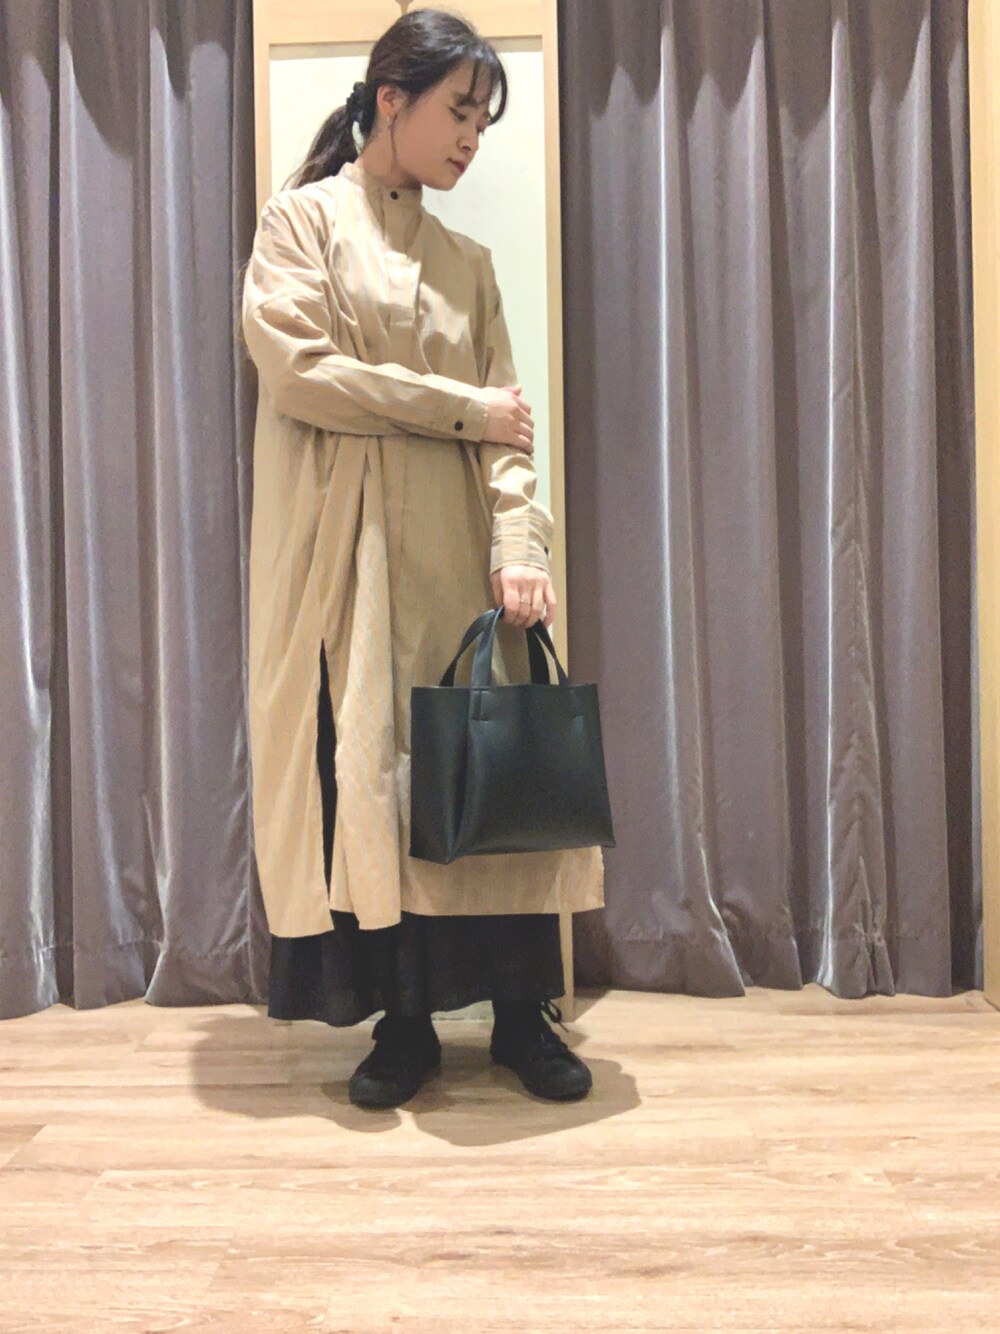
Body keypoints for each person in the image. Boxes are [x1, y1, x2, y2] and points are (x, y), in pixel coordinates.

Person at [238, 8, 604, 1110]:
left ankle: (520, 1017)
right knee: (370, 780)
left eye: (485, 124)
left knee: (484, 772)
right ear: (390, 99)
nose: (471, 140)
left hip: (456, 567)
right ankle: (403, 1024)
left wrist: (520, 546)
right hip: (340, 570)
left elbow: (511, 436)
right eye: (460, 112)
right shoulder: (298, 225)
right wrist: (462, 407)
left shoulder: (469, 266)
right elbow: (302, 373)